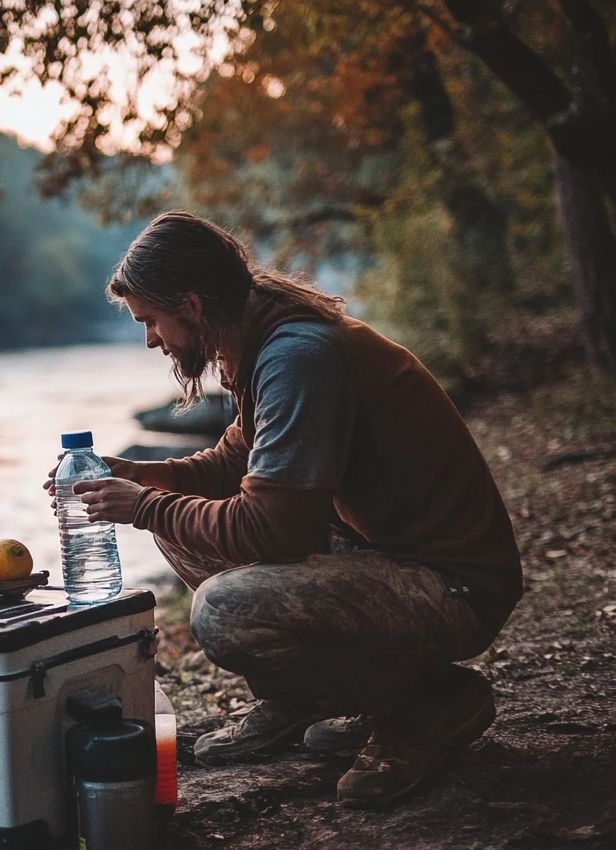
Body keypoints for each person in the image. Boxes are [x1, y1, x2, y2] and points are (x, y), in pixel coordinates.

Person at [46, 211, 522, 806]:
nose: (151, 340)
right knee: (178, 524)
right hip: (390, 555)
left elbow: (275, 530)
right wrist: (142, 478)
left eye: (151, 321)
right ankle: (304, 696)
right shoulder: (257, 333)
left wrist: (146, 507)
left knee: (221, 609)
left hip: (453, 588)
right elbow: (230, 464)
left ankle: (429, 702)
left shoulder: (298, 356)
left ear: (191, 304)